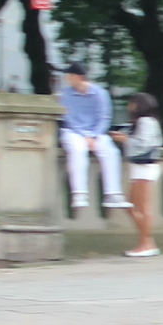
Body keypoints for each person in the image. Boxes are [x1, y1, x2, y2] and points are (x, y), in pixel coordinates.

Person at [57, 63, 127, 214]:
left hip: (96, 133)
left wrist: (93, 135)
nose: (67, 79)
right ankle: (79, 193)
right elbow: (67, 118)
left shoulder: (100, 94)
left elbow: (104, 118)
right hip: (73, 132)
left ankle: (113, 194)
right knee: (77, 149)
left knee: (111, 151)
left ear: (79, 77)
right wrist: (84, 135)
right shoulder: (65, 95)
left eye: (70, 76)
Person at [121, 93, 163, 258]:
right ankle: (146, 241)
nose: (129, 106)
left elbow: (143, 144)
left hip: (144, 168)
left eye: (132, 103)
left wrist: (125, 140)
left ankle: (147, 243)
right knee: (132, 206)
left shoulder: (145, 122)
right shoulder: (147, 122)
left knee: (142, 208)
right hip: (141, 168)